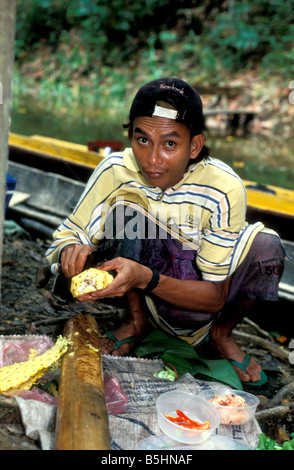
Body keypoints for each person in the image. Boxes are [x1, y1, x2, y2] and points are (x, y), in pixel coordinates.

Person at [46, 77, 286, 386]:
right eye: (142, 139)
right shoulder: (115, 170)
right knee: (126, 211)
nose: (152, 159)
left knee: (267, 246)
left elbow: (214, 297)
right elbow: (67, 235)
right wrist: (70, 249)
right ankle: (136, 322)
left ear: (194, 145)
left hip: (203, 301)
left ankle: (221, 334)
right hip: (150, 297)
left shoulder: (223, 187)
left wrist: (145, 277)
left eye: (170, 143)